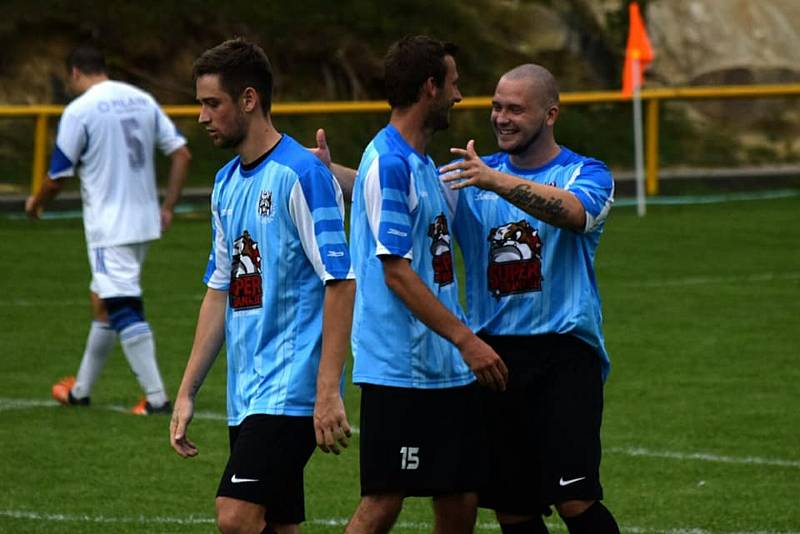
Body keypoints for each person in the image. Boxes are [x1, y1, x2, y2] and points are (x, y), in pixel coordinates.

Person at [168, 38, 355, 534]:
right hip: (246, 393)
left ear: (249, 100)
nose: (203, 117)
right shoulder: (227, 183)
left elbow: (341, 282)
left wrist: (327, 391)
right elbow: (219, 289)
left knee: (236, 515)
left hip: (290, 391)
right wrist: (187, 392)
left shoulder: (303, 174)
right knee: (275, 525)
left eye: (213, 104)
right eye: (200, 105)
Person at [439, 64, 619, 533]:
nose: (501, 118)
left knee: (575, 498)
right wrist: (326, 172)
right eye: (497, 106)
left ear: (550, 114)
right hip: (494, 356)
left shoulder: (585, 172)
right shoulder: (472, 176)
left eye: (516, 109)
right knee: (512, 506)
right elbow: (400, 196)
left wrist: (495, 182)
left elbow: (574, 212)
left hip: (564, 354)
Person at [345, 35, 508, 534]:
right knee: (384, 500)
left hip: (444, 368)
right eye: (454, 84)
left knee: (460, 496)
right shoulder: (390, 163)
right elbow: (396, 272)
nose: (460, 96)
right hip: (401, 368)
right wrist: (467, 340)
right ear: (430, 87)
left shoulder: (418, 164)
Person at [25, 46, 191, 415]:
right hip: (144, 221)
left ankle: (157, 399)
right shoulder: (141, 98)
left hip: (109, 226)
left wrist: (36, 202)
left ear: (74, 73)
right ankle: (80, 391)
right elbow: (182, 153)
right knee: (102, 301)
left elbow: (58, 175)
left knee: (121, 304)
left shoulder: (79, 110)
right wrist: (168, 206)